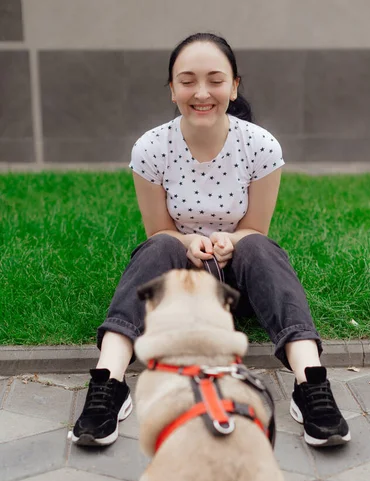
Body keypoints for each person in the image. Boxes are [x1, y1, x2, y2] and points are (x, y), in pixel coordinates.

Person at [72, 32, 350, 448]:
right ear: (172, 89)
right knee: (159, 247)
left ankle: (311, 385)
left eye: (215, 80)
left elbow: (255, 228)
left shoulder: (260, 146)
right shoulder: (151, 148)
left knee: (260, 247)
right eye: (187, 80)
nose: (201, 92)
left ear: (235, 85)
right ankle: (107, 385)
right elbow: (159, 230)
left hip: (237, 285)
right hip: (178, 287)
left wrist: (233, 241)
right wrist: (187, 244)